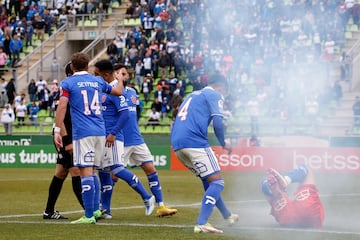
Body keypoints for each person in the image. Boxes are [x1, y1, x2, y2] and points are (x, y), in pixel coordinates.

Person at [53, 52, 124, 224]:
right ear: (87, 66)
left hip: (83, 133)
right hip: (100, 131)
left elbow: (62, 106)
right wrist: (119, 77)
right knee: (93, 172)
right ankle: (96, 211)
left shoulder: (68, 82)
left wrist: (57, 129)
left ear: (71, 67)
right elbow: (118, 91)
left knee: (85, 171)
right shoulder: (98, 80)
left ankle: (89, 215)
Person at [170, 72, 238, 234]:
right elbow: (218, 122)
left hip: (178, 144)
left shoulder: (191, 95)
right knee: (218, 183)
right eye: (224, 90)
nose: (223, 93)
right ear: (220, 86)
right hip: (195, 141)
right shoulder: (215, 94)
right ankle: (202, 223)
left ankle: (227, 216)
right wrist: (224, 143)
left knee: (209, 181)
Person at [108, 63, 178, 218]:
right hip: (122, 140)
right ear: (114, 75)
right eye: (120, 73)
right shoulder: (112, 91)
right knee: (113, 176)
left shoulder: (132, 92)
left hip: (137, 139)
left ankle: (160, 206)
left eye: (125, 73)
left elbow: (133, 115)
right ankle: (105, 208)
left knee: (151, 170)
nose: (123, 76)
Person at [93, 60, 156, 219]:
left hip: (112, 138)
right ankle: (105, 210)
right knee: (104, 172)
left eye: (96, 74)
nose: (95, 76)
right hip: (103, 137)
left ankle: (147, 197)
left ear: (105, 74)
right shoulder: (103, 89)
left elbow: (126, 114)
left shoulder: (116, 90)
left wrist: (113, 133)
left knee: (117, 169)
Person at [43, 62, 84, 220]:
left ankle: (49, 211)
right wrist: (67, 140)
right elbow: (63, 117)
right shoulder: (66, 90)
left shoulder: (68, 90)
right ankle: (90, 211)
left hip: (64, 134)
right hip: (64, 135)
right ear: (71, 73)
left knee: (60, 173)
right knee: (76, 171)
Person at [260, 164, 325, 228]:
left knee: (264, 181)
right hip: (311, 214)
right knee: (306, 169)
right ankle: (286, 180)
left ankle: (273, 192)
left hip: (288, 216)